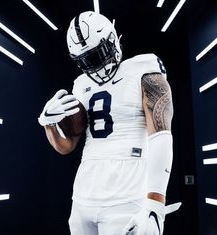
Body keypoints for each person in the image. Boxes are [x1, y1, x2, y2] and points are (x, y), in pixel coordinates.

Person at [38, 11, 181, 235]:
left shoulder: (143, 69)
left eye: (96, 56)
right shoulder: (80, 84)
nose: (92, 67)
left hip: (127, 194)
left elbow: (161, 137)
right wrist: (48, 124)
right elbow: (67, 146)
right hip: (83, 194)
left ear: (112, 40)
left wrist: (155, 205)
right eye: (84, 61)